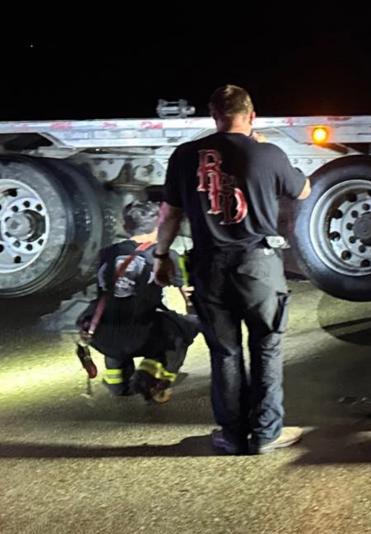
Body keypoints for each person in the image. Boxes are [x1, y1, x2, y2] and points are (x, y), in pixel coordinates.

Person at [153, 84, 311, 455]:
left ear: (214, 117)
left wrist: (161, 258)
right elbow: (302, 191)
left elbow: (169, 214)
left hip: (209, 268)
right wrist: (267, 152)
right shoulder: (269, 154)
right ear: (251, 115)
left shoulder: (185, 156)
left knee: (225, 353)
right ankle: (267, 432)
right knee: (266, 348)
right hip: (258, 266)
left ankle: (233, 435)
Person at [79, 201, 197, 403]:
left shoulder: (105, 254)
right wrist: (193, 318)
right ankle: (151, 378)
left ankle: (118, 383)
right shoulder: (166, 256)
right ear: (159, 226)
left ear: (125, 227)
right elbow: (188, 295)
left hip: (101, 335)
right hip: (141, 334)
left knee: (117, 317)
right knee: (184, 328)